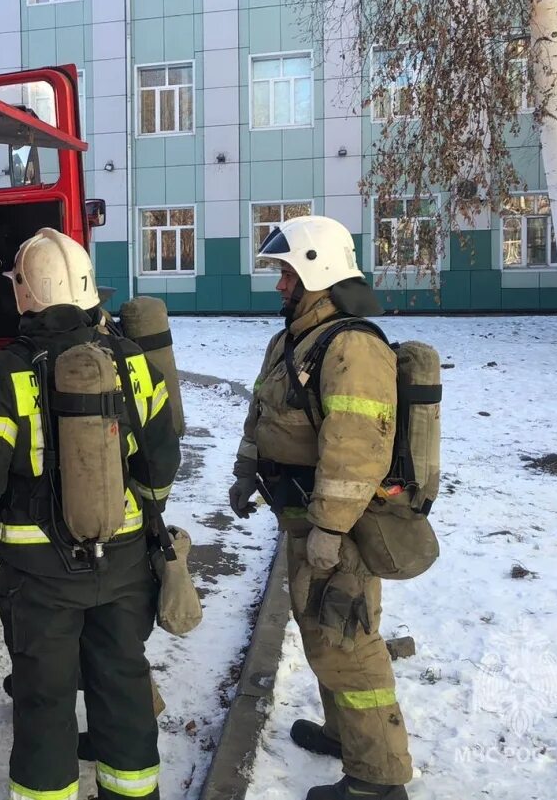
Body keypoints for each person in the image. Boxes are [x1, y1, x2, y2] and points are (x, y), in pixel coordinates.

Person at [0, 228, 181, 800]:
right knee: (122, 687)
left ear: (25, 293)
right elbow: (162, 461)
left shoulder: (8, 371)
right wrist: (143, 518)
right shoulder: (133, 361)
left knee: (44, 702)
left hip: (41, 576)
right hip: (122, 566)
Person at [229, 215, 413, 800]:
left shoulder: (351, 346)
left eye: (287, 273)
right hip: (301, 516)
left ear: (319, 272)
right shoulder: (294, 340)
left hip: (338, 527)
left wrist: (331, 529)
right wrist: (245, 471)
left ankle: (378, 781)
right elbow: (263, 413)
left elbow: (357, 447)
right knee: (324, 632)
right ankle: (345, 736)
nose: (280, 285)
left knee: (347, 641)